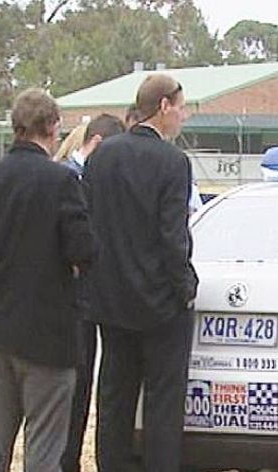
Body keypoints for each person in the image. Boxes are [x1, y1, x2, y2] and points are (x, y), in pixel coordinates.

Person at [0, 88, 93, 472]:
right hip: (49, 333)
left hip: (1, 328)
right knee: (44, 445)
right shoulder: (61, 182)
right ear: (53, 127)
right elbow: (83, 251)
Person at [83, 73, 197, 472]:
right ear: (164, 106)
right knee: (162, 405)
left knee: (114, 399)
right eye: (181, 107)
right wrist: (185, 287)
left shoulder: (102, 156)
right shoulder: (172, 162)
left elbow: (90, 225)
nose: (183, 116)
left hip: (111, 299)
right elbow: (172, 236)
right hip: (161, 303)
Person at [59, 112, 124, 472]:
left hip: (93, 295)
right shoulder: (70, 179)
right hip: (72, 297)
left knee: (85, 385)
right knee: (73, 386)